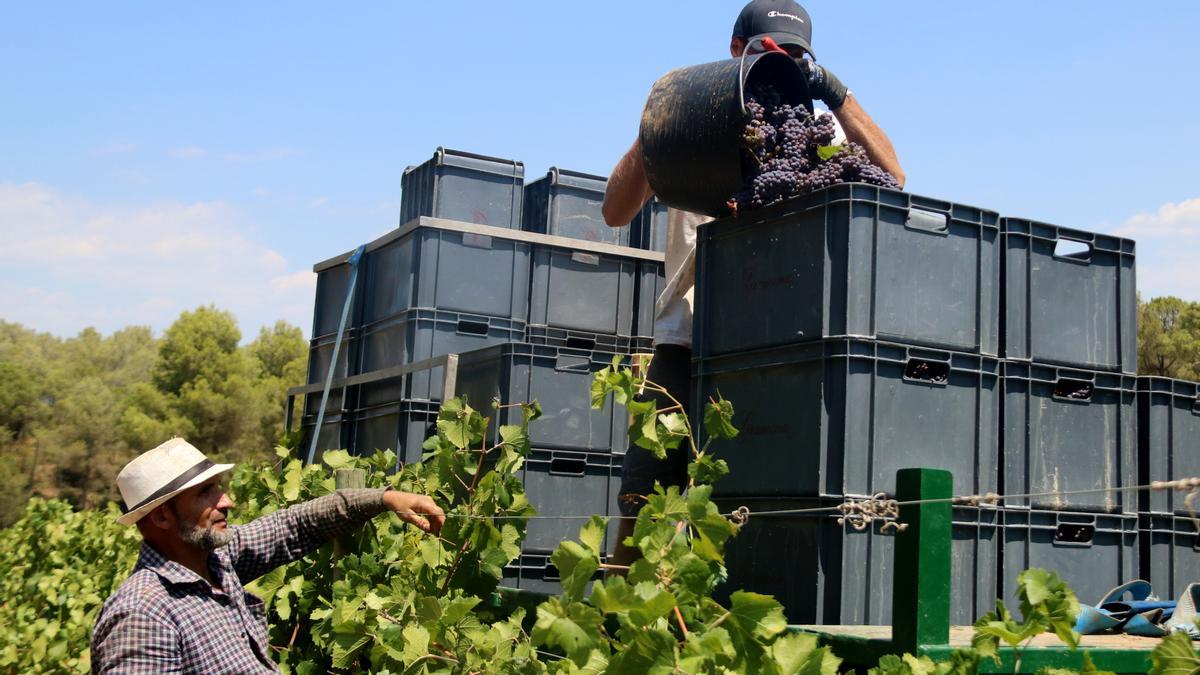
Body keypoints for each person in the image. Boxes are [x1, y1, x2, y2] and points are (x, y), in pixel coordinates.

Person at [602, 0, 904, 567]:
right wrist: (659, 126)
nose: (780, 62)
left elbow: (892, 177)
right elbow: (616, 211)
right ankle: (619, 632)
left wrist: (836, 93)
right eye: (768, 49)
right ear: (737, 48)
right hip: (686, 342)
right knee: (641, 505)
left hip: (778, 340)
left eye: (794, 56)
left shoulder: (818, 130)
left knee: (749, 504)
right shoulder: (693, 120)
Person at [90, 437, 446, 673]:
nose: (227, 501)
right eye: (206, 493)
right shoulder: (142, 614)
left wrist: (384, 500)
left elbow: (294, 526)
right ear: (161, 516)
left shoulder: (216, 562)